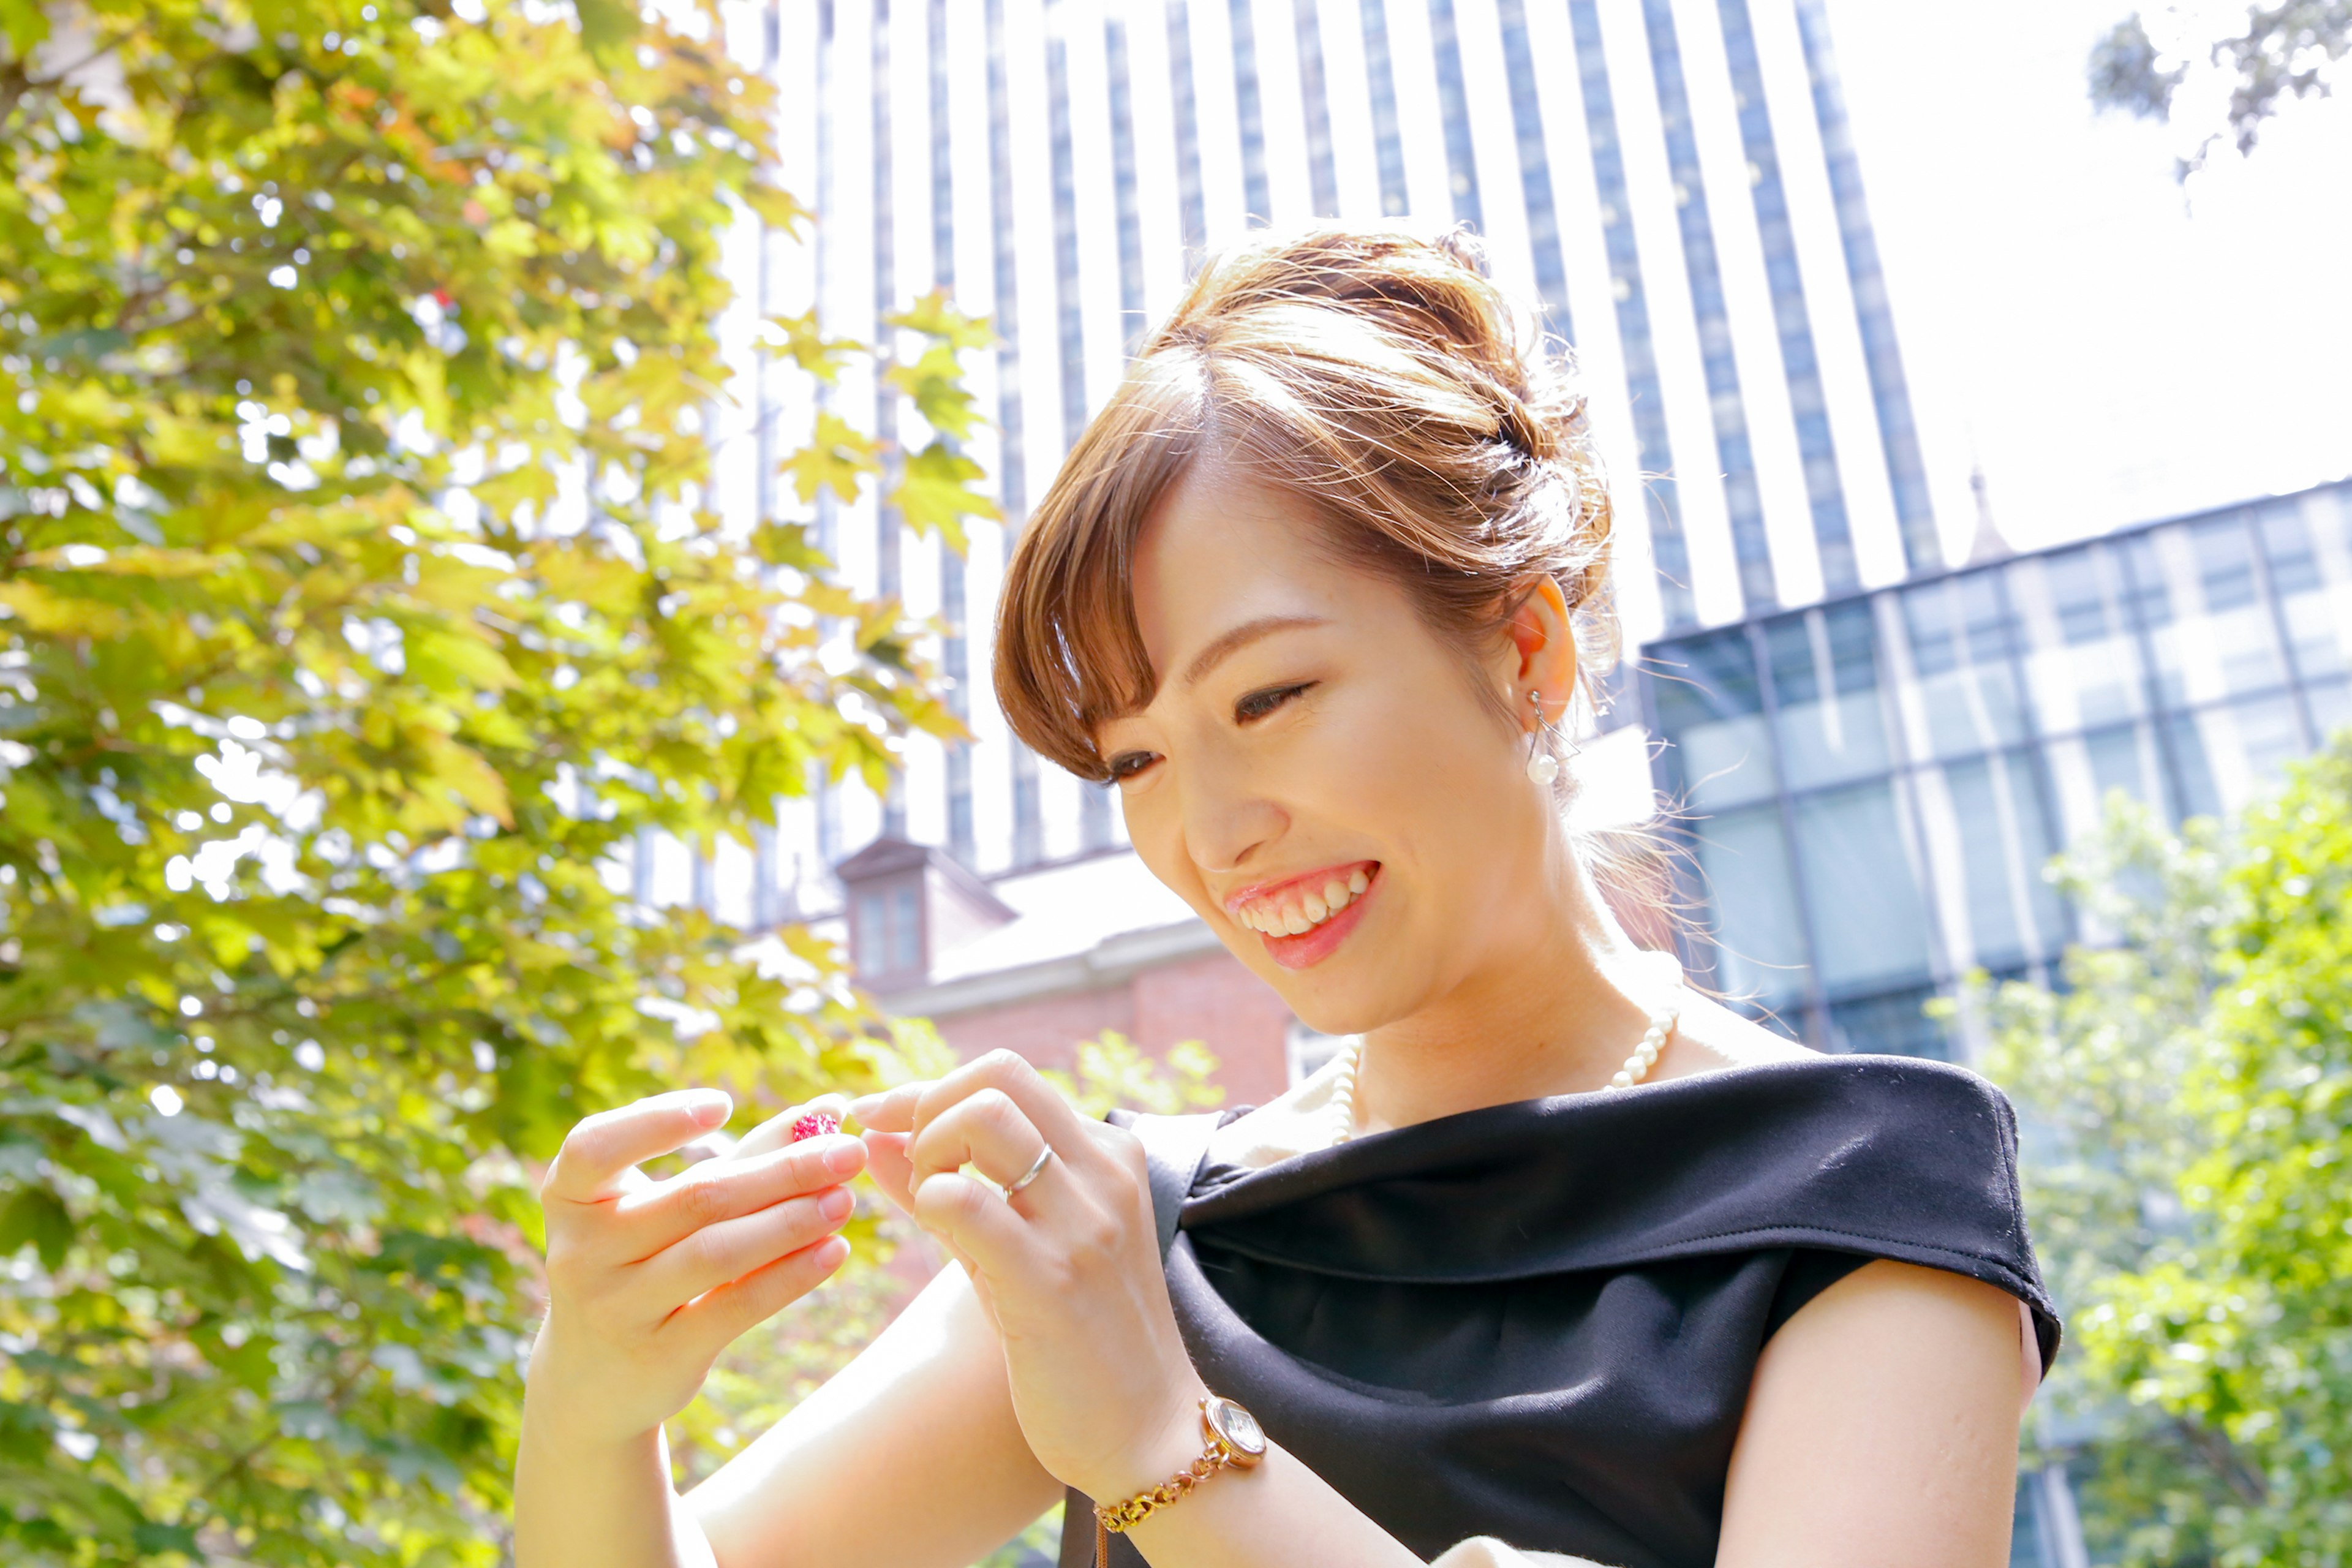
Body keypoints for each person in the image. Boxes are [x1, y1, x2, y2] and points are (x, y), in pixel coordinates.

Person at [513, 224, 2059, 1568]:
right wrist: (594, 1394)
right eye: (1135, 761)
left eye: (1270, 698)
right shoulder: (1140, 1231)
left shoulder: (1866, 1194)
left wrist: (1158, 1443)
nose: (1217, 829)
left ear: (1525, 653)